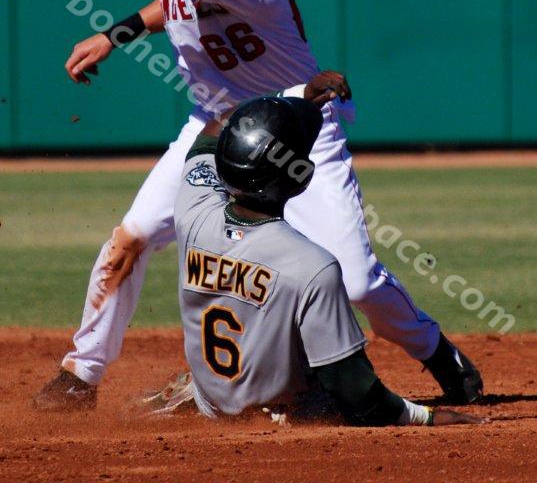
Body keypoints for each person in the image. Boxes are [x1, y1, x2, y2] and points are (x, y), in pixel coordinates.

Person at [33, 0, 482, 411]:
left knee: (355, 282)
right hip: (215, 129)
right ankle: (81, 375)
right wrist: (114, 35)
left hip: (297, 126)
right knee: (133, 237)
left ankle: (435, 349)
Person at [168, 82, 481, 426]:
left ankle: (194, 392)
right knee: (320, 379)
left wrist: (289, 99)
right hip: (278, 422)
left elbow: (219, 125)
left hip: (211, 403)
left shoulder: (193, 209)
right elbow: (359, 396)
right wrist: (428, 416)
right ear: (302, 179)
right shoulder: (311, 267)